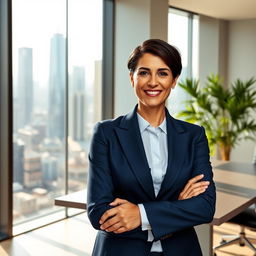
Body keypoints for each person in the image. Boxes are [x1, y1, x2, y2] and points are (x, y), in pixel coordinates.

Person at [87, 39, 216, 256]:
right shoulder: (106, 133)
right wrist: (176, 209)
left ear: (174, 80)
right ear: (132, 78)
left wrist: (141, 214)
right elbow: (99, 212)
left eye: (163, 73)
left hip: (180, 250)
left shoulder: (193, 136)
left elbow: (204, 207)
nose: (153, 82)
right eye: (144, 73)